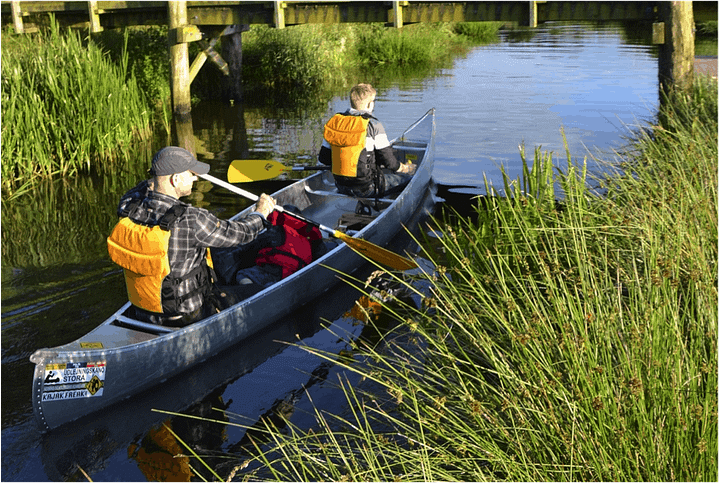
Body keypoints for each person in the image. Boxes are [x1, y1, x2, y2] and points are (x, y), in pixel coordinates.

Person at [107, 146, 277, 327]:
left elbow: (142, 189)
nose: (195, 178)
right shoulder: (191, 219)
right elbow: (240, 233)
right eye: (190, 174)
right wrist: (260, 213)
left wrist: (158, 178)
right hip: (188, 316)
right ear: (175, 179)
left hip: (143, 312)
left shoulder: (129, 206)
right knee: (259, 290)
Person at [318, 83, 416, 199]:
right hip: (367, 188)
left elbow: (323, 158)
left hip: (340, 186)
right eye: (374, 101)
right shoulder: (373, 125)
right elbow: (389, 162)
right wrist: (405, 168)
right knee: (409, 179)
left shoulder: (335, 122)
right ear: (370, 104)